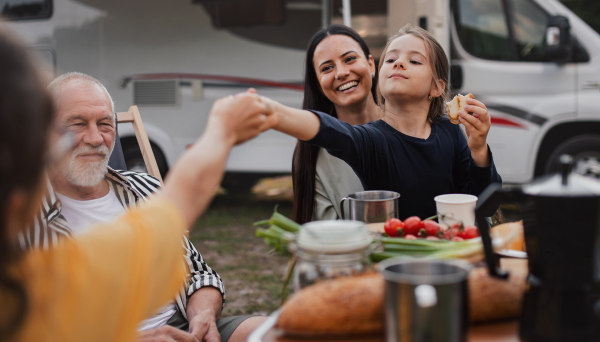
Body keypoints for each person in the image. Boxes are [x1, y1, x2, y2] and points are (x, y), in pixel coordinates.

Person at [0, 27, 274, 341]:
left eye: (105, 124)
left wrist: (203, 315)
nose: (94, 139)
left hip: (181, 325)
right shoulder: (28, 229)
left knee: (279, 332)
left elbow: (197, 271)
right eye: (76, 126)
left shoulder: (143, 187)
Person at [265, 24, 502, 220]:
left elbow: (485, 205)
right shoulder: (372, 139)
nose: (398, 63)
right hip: (399, 263)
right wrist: (274, 112)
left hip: (450, 258)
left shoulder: (450, 131)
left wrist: (479, 148)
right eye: (390, 60)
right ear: (380, 76)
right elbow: (331, 132)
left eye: (415, 61)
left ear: (437, 87)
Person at [292, 25, 381, 223]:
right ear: (318, 84)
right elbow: (327, 237)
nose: (341, 73)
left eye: (349, 59)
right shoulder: (313, 154)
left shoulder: (409, 126)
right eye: (327, 68)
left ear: (371, 65)